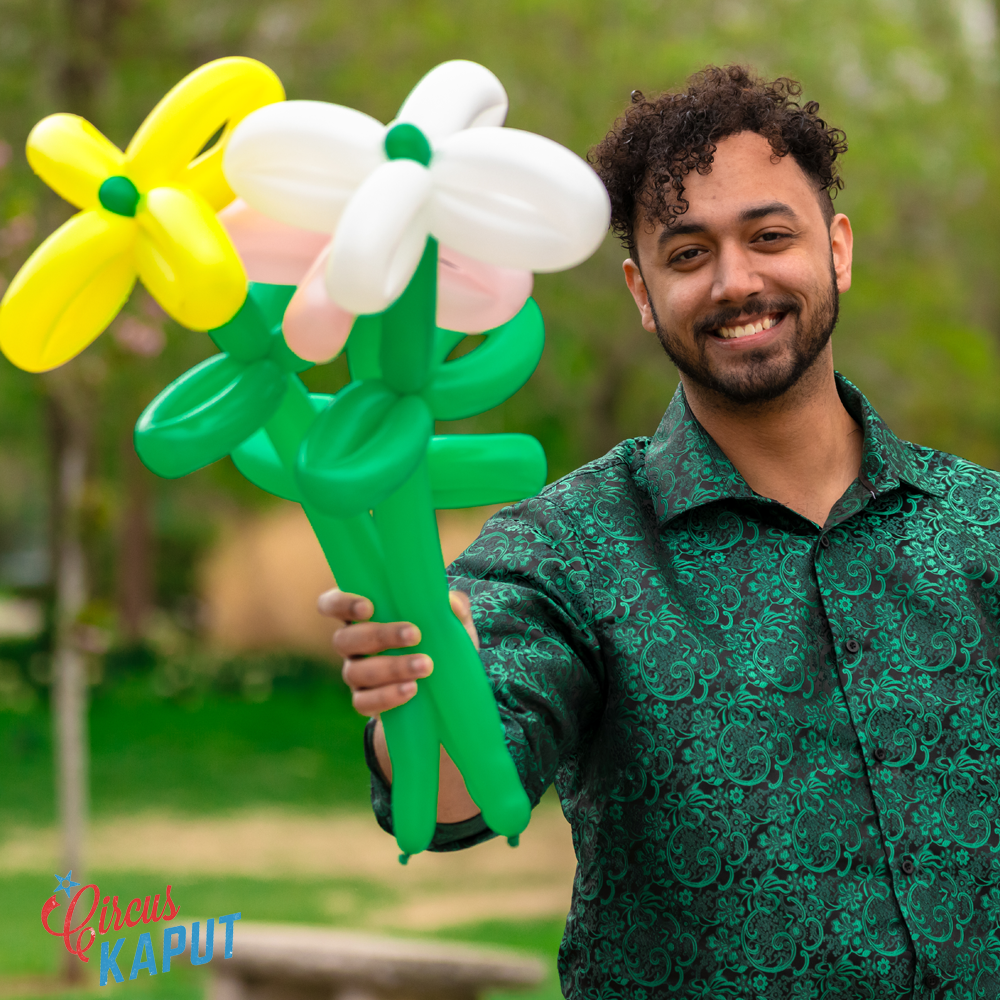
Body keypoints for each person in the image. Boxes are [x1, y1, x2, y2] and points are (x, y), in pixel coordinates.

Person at [319, 65, 1000, 998]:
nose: (736, 281)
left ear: (837, 248)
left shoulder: (981, 527)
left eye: (770, 236)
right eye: (688, 255)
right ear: (642, 292)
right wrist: (421, 682)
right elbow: (459, 801)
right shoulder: (563, 553)